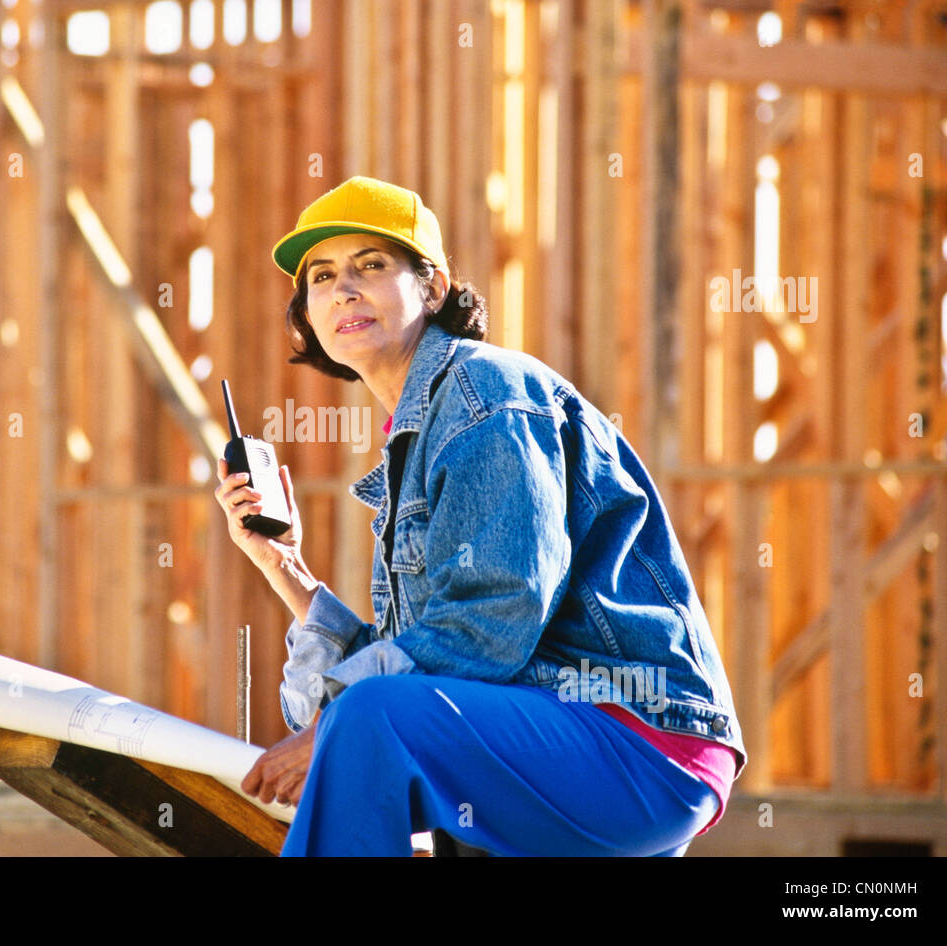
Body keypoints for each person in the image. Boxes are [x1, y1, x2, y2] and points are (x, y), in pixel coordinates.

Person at [213, 175, 746, 856]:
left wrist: (333, 724)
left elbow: (496, 614)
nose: (344, 288)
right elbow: (428, 660)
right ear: (307, 313)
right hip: (553, 740)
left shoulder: (483, 392)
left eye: (371, 265)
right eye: (322, 276)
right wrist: (282, 564)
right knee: (370, 717)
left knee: (369, 718)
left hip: (637, 737)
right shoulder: (414, 432)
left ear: (432, 289)